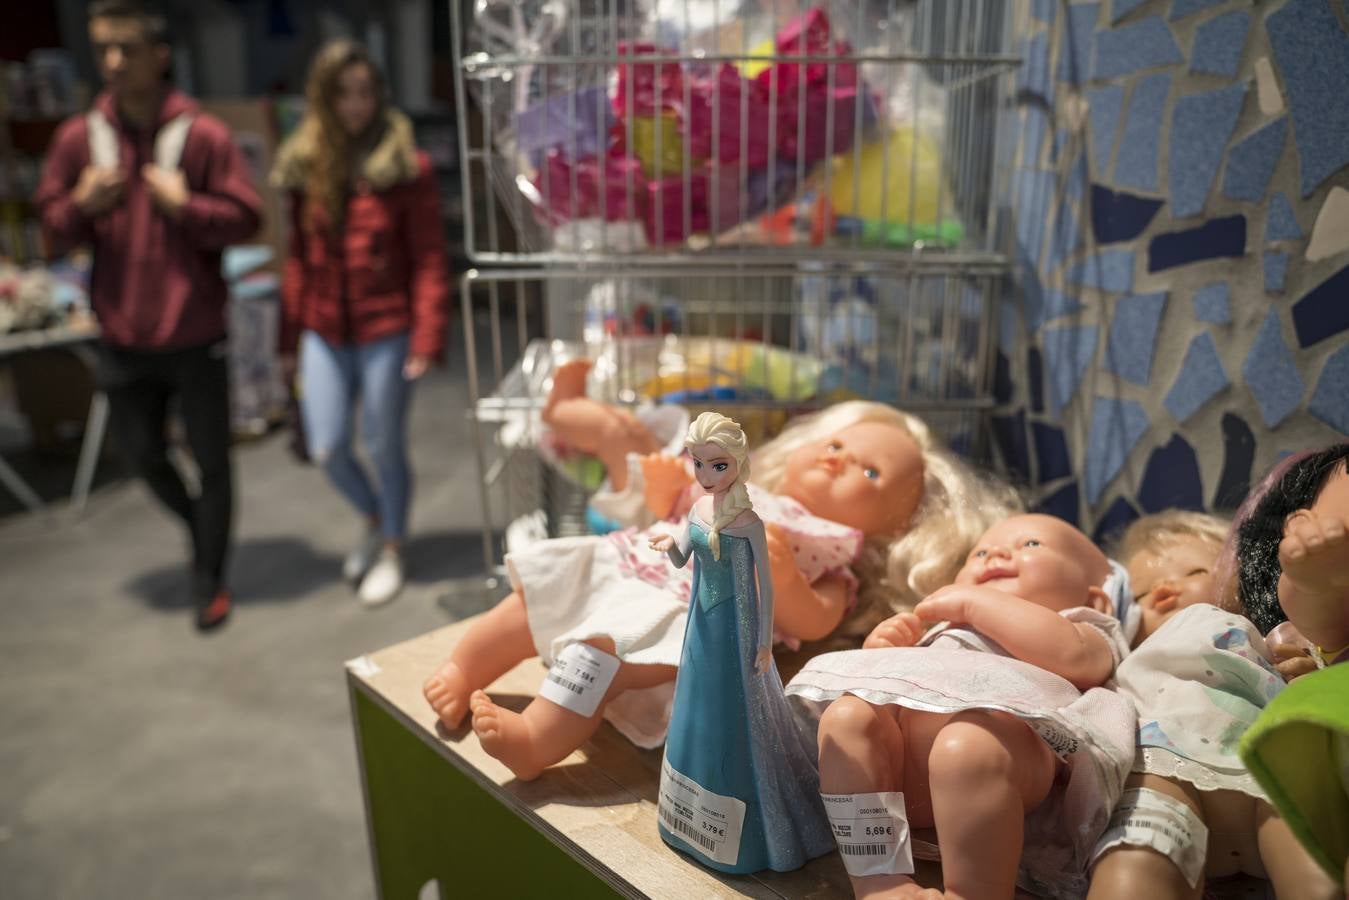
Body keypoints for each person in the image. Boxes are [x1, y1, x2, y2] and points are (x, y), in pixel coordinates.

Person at [424, 394, 1021, 780]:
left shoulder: (831, 560)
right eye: (837, 445)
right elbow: (678, 516)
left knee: (599, 654)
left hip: (680, 612)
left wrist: (785, 578)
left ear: (894, 524)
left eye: (869, 471)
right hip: (628, 562)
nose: (840, 461)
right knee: (532, 596)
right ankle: (464, 668)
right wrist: (662, 492)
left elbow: (814, 622)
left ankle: (535, 740)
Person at [34, 0, 262, 630]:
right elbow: (51, 222)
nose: (112, 61)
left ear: (159, 54)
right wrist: (81, 204)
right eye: (102, 47)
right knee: (141, 458)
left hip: (196, 332)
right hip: (122, 332)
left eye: (126, 47)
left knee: (214, 462)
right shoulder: (80, 138)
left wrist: (188, 206)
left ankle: (209, 577)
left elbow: (248, 217)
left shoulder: (203, 135)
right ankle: (200, 530)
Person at [788, 514, 1137, 899]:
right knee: (848, 718)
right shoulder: (944, 629)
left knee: (967, 747)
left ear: (1094, 597)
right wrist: (883, 653)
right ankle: (879, 879)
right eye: (980, 552)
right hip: (902, 770)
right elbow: (894, 683)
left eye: (1031, 545)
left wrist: (976, 603)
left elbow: (1073, 656)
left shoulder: (1081, 626)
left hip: (1004, 760)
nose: (997, 553)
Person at [271, 40, 450, 606]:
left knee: (384, 443)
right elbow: (297, 256)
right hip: (323, 329)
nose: (356, 106)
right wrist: (287, 340)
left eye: (366, 92)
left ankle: (393, 545)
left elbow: (427, 255)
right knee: (326, 447)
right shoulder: (305, 162)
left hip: (386, 328)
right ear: (323, 98)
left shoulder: (405, 164)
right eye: (343, 94)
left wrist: (426, 334)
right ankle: (376, 518)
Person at [1087, 511, 1338, 900]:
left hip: (1264, 765)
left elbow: (1321, 676)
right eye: (1140, 592)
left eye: (1194, 572)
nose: (1166, 589)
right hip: (1161, 764)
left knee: (1310, 838)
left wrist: (1307, 667)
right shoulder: (1117, 652)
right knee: (1136, 847)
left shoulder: (1263, 635)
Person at [646, 412, 834, 874]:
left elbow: (765, 587)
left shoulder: (748, 521)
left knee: (738, 714)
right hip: (701, 627)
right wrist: (665, 544)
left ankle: (747, 832)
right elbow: (680, 560)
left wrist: (765, 642)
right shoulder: (696, 510)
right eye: (699, 465)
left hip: (740, 628)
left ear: (738, 463)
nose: (707, 476)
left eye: (719, 466)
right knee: (697, 704)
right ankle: (686, 813)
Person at [1233, 445, 1349, 891]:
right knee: (1282, 802)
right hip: (1324, 729)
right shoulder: (1322, 599)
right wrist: (1311, 576)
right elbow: (1316, 613)